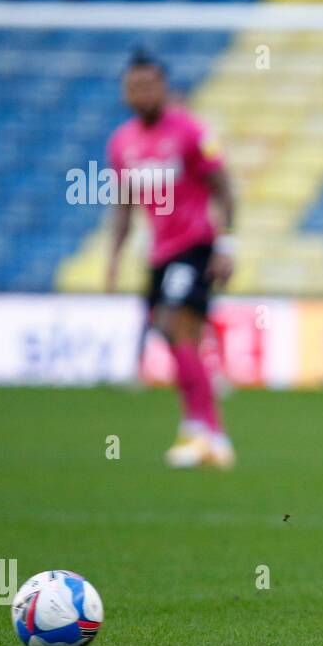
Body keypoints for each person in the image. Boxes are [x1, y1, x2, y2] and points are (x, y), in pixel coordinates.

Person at [105, 50, 237, 469]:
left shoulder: (189, 132)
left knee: (175, 326)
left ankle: (211, 434)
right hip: (160, 253)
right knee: (171, 333)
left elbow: (224, 189)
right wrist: (113, 257)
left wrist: (226, 245)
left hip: (196, 246)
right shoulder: (121, 143)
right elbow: (124, 206)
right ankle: (198, 429)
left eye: (148, 85)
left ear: (163, 87)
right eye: (133, 86)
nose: (141, 93)